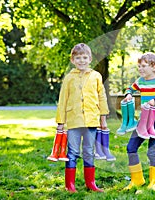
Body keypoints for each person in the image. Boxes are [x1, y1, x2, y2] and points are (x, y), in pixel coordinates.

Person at [55, 43, 109, 193]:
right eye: (78, 58)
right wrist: (60, 122)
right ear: (73, 60)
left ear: (90, 58)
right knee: (72, 152)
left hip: (92, 120)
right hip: (74, 121)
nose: (82, 61)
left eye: (85, 57)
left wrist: (103, 119)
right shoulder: (69, 78)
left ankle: (90, 183)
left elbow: (102, 97)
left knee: (89, 151)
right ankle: (69, 185)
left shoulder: (96, 76)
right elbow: (63, 100)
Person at [122, 52, 155, 191]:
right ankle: (137, 180)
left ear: (154, 66)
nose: (140, 69)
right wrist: (129, 94)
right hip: (142, 122)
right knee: (131, 147)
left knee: (152, 151)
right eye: (139, 66)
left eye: (143, 66)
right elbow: (131, 88)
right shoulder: (140, 81)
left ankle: (154, 181)